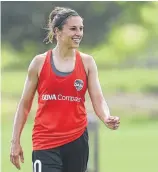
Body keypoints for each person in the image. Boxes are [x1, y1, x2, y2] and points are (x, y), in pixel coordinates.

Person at [10, 6, 120, 172]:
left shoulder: (87, 62)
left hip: (76, 140)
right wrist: (15, 141)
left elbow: (98, 98)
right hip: (45, 141)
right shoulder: (39, 63)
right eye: (73, 29)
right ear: (57, 31)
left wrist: (106, 117)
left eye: (81, 29)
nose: (79, 33)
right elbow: (24, 105)